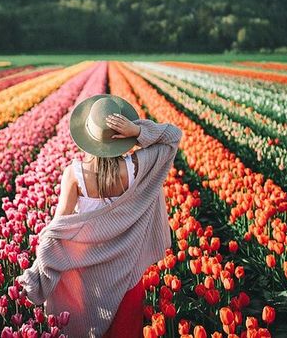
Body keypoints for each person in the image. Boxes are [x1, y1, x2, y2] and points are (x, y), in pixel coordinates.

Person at [17, 94, 182, 337]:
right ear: (120, 137)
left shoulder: (74, 174)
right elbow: (172, 136)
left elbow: (59, 225)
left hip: (88, 270)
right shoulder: (137, 168)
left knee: (91, 327)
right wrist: (137, 131)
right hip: (128, 266)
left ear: (87, 136)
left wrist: (38, 270)